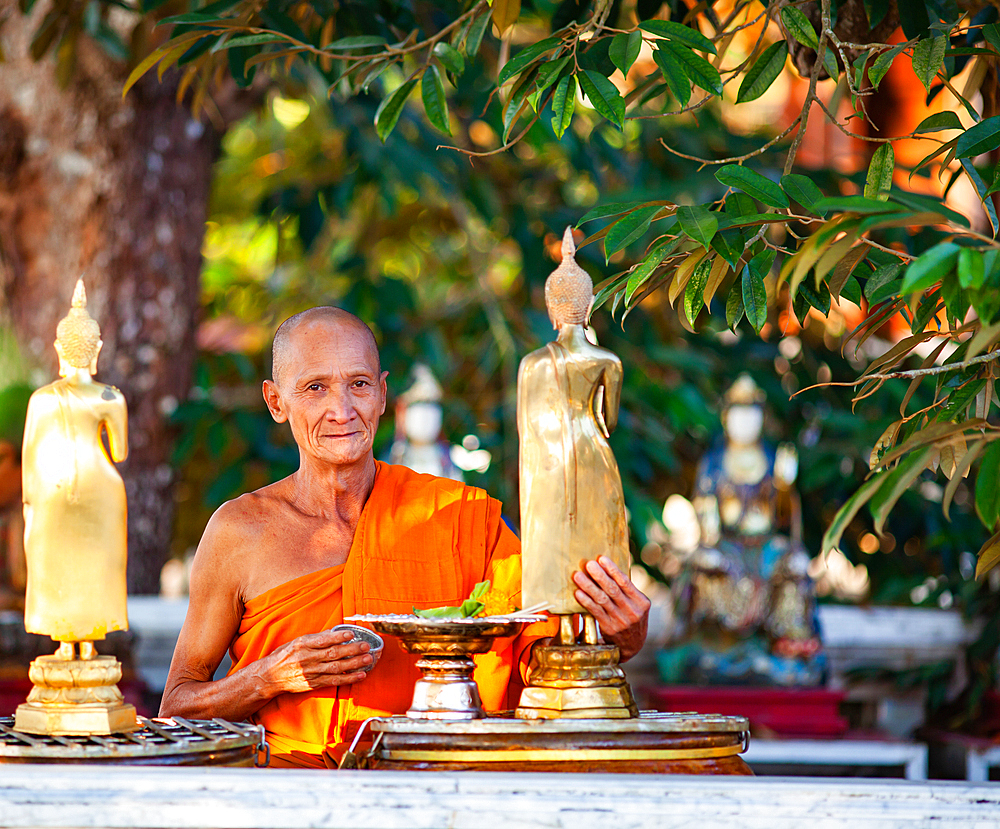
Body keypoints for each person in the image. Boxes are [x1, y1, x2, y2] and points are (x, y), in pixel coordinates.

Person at [160, 307, 649, 768]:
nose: (342, 409)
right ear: (276, 402)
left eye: (358, 384)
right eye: (315, 388)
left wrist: (617, 638)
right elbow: (178, 704)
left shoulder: (457, 516)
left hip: (438, 780)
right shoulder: (240, 530)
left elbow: (543, 662)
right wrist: (267, 677)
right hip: (290, 790)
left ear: (383, 393)